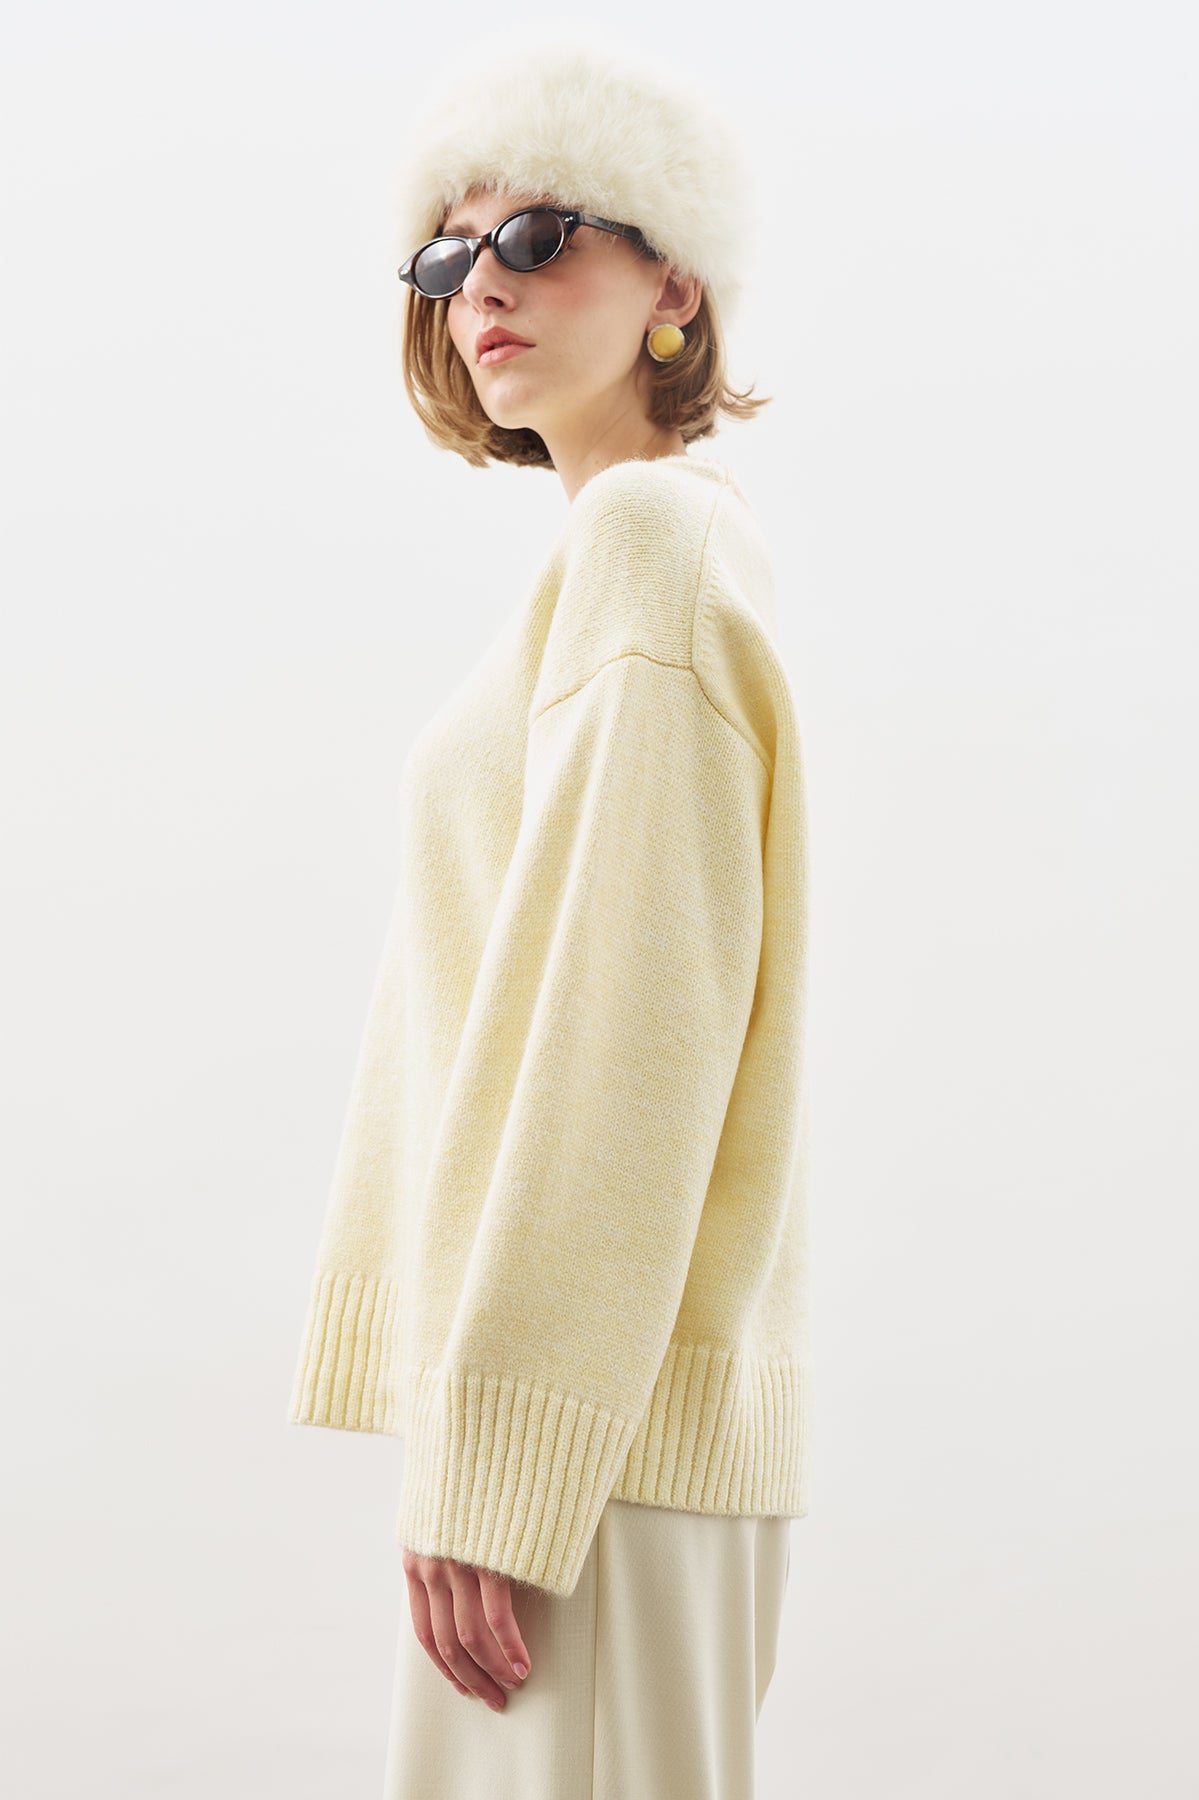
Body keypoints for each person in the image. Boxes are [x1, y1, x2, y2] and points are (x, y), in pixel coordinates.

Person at [287, 34, 814, 1800]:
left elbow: (624, 1036)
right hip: (590, 1423)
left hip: (583, 1447)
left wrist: (504, 1449)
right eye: (451, 256)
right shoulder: (635, 555)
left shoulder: (651, 545)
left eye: (540, 236)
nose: (483, 288)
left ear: (677, 286)